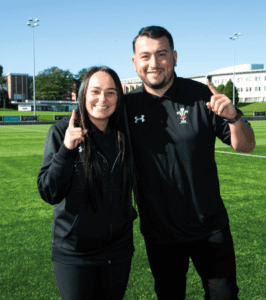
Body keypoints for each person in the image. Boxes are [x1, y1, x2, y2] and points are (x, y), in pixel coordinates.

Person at [125, 26, 256, 300]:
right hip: (160, 233)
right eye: (145, 56)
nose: (154, 63)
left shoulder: (202, 96)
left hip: (211, 228)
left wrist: (234, 118)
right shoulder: (126, 107)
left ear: (174, 56)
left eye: (161, 54)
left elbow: (245, 145)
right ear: (135, 62)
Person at [37, 66, 139, 300]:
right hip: (75, 254)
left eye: (111, 92)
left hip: (118, 252)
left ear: (118, 97)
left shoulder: (125, 134)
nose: (103, 99)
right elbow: (49, 191)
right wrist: (66, 150)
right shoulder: (62, 131)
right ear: (83, 94)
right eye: (95, 91)